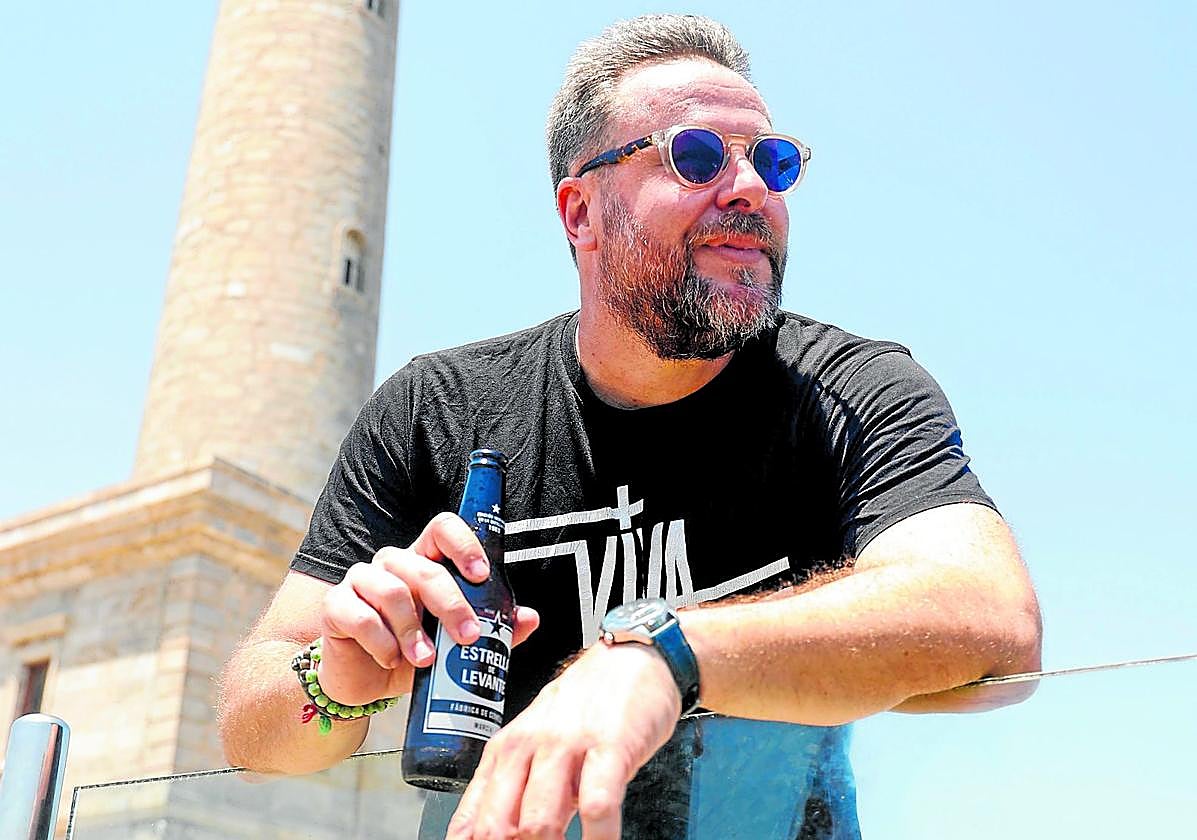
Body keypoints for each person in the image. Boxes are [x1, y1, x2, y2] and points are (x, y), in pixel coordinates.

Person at [217, 14, 1042, 840]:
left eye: (772, 159)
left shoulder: (852, 389)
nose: (751, 187)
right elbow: (253, 732)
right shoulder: (435, 407)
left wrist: (662, 660)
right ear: (581, 213)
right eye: (697, 157)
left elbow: (989, 618)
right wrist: (336, 677)